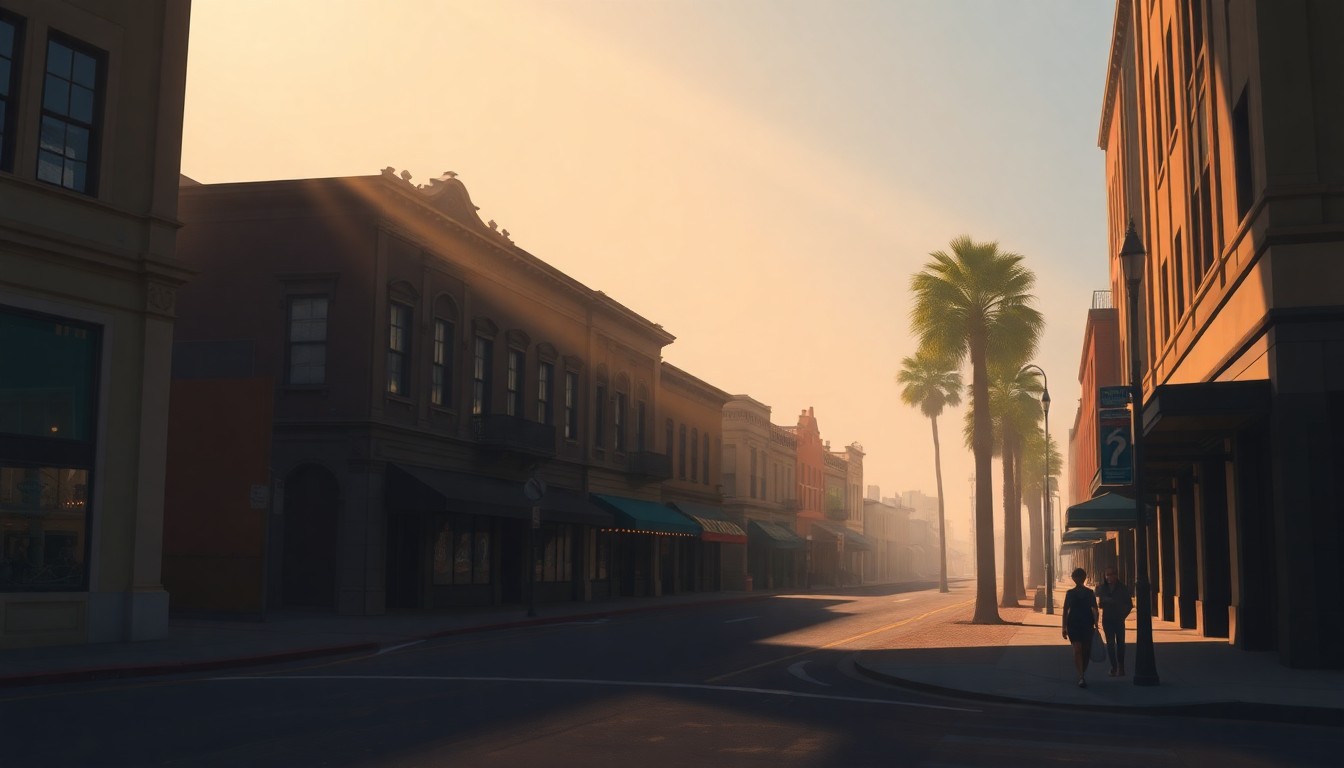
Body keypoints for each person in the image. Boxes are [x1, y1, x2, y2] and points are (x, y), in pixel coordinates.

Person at [1061, 566, 1098, 688]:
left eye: (1080, 577)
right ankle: (1081, 676)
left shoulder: (1089, 593)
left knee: (1086, 651)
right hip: (1074, 624)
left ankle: (1082, 671)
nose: (1078, 579)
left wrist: (1097, 623)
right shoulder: (1070, 593)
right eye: (1076, 577)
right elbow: (1065, 610)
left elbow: (1095, 609)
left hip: (1087, 624)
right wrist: (1064, 627)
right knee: (1077, 649)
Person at [1096, 565, 1132, 677]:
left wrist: (1123, 615)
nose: (1109, 577)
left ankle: (1121, 666)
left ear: (1116, 575)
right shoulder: (1103, 588)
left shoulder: (1123, 588)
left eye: (1111, 574)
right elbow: (1100, 604)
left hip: (1119, 619)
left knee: (1121, 644)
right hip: (1107, 620)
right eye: (1107, 575)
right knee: (1110, 644)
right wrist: (1105, 601)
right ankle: (1113, 666)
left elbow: (1129, 604)